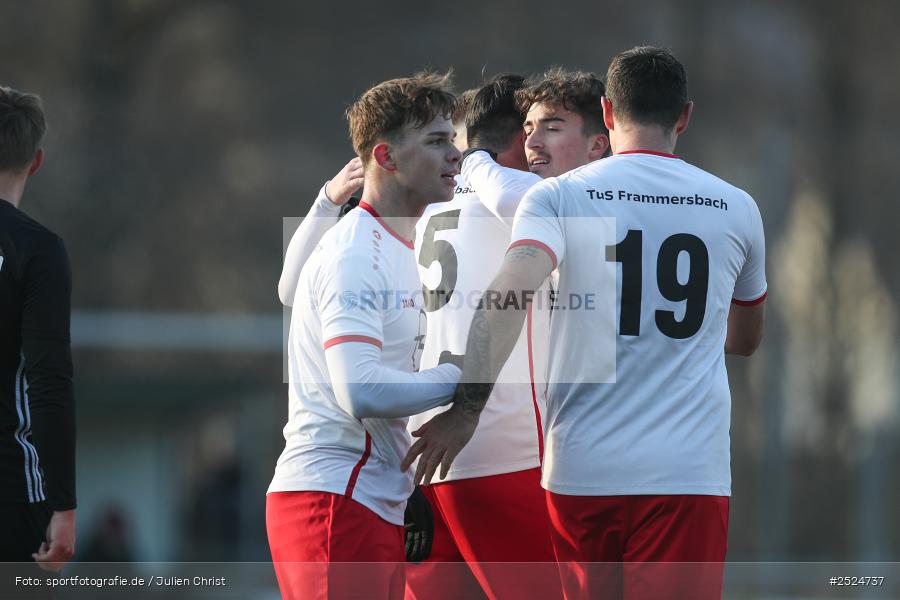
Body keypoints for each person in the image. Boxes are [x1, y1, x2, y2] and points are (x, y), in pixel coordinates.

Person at [403, 47, 767, 600]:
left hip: (581, 468)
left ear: (609, 113)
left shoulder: (557, 197)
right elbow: (744, 339)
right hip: (686, 470)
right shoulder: (736, 206)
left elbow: (506, 297)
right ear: (685, 116)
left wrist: (467, 408)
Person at [266, 72, 463, 600]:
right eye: (437, 141)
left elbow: (288, 288)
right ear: (387, 156)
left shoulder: (400, 244)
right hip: (332, 501)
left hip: (371, 499)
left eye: (455, 140)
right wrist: (464, 378)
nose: (456, 155)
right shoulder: (355, 251)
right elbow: (361, 391)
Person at [0, 86, 77, 579]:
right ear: (37, 160)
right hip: (10, 488)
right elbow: (48, 382)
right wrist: (64, 505)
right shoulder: (38, 250)